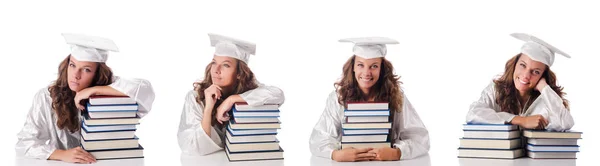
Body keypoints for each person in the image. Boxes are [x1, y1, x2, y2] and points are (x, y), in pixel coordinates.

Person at [15, 33, 155, 163]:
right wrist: (60, 154)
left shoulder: (111, 93)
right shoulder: (46, 97)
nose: (76, 75)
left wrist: (94, 90)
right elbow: (25, 143)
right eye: (72, 65)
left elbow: (145, 89)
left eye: (86, 69)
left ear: (97, 74)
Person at [309, 37, 430, 162]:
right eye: (360, 65)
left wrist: (397, 153)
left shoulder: (396, 97)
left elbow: (420, 138)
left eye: (374, 66)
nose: (366, 72)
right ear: (353, 67)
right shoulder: (337, 98)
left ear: (382, 69)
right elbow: (318, 139)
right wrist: (335, 154)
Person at [178, 33, 285, 155]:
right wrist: (208, 108)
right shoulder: (195, 97)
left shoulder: (248, 90)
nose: (216, 70)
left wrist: (232, 100)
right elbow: (194, 147)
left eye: (225, 65)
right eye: (214, 62)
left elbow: (278, 94)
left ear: (239, 73)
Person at [466, 33, 573, 132]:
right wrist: (521, 120)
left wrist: (544, 88)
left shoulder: (545, 100)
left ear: (543, 76)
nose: (526, 76)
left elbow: (565, 123)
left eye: (536, 72)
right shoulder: (495, 90)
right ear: (515, 64)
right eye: (523, 65)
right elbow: (473, 114)